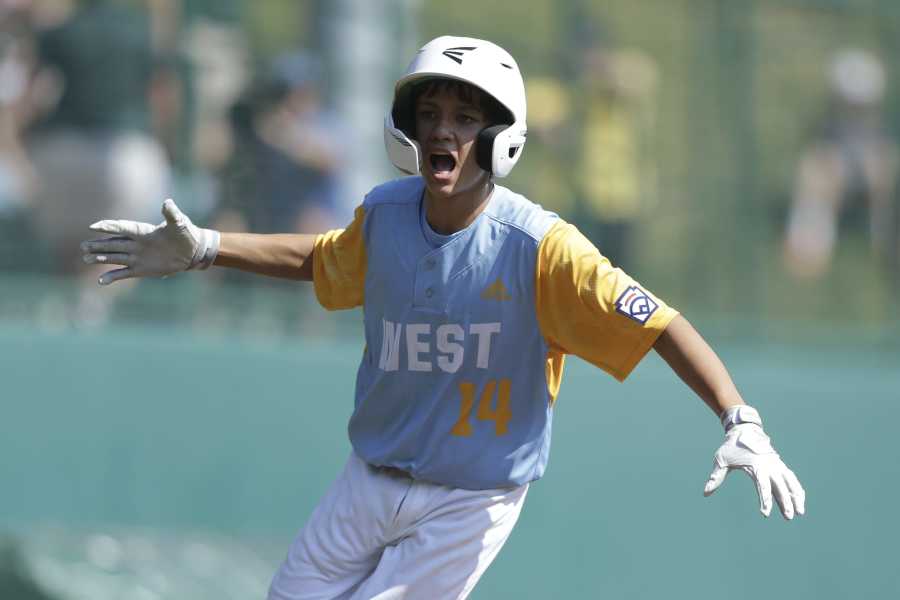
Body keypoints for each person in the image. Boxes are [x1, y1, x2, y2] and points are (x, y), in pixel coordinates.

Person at [81, 36, 806, 600]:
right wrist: (207, 247)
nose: (443, 131)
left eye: (465, 117)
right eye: (430, 114)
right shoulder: (388, 215)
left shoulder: (542, 250)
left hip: (472, 497)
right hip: (367, 479)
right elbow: (322, 258)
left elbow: (660, 325)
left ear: (503, 137)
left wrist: (740, 419)